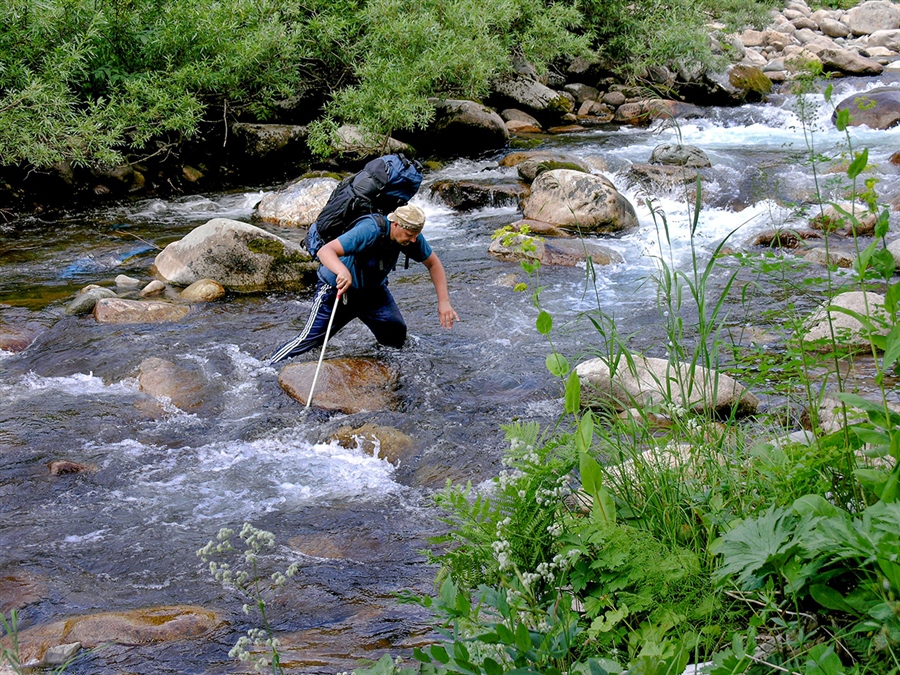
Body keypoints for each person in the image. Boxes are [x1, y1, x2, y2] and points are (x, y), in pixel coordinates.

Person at [267, 204, 459, 364]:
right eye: (409, 234)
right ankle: (266, 367)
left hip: (373, 293)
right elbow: (326, 251)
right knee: (308, 341)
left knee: (396, 334)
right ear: (396, 224)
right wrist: (342, 271)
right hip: (338, 291)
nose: (414, 240)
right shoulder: (369, 230)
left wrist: (444, 302)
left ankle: (383, 370)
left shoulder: (411, 238)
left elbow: (434, 263)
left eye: (416, 235)